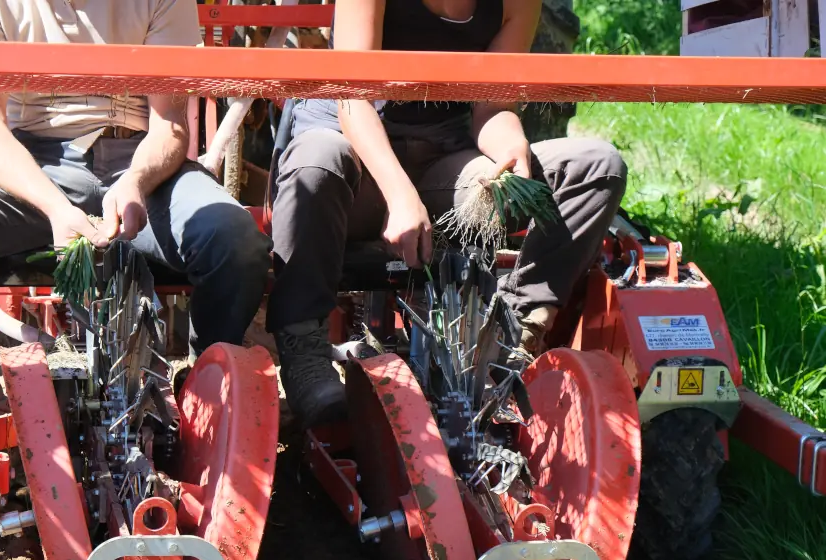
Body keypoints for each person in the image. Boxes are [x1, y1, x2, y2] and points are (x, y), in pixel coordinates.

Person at [0, 0, 272, 530]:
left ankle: (198, 411)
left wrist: (135, 184)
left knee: (237, 242)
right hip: (35, 163)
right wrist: (55, 209)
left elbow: (170, 127)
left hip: (143, 163)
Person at [266, 0, 628, 429]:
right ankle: (305, 353)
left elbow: (492, 107)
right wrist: (400, 195)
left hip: (442, 156)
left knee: (596, 167)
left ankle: (510, 334)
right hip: (348, 151)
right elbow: (353, 102)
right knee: (316, 161)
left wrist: (511, 145)